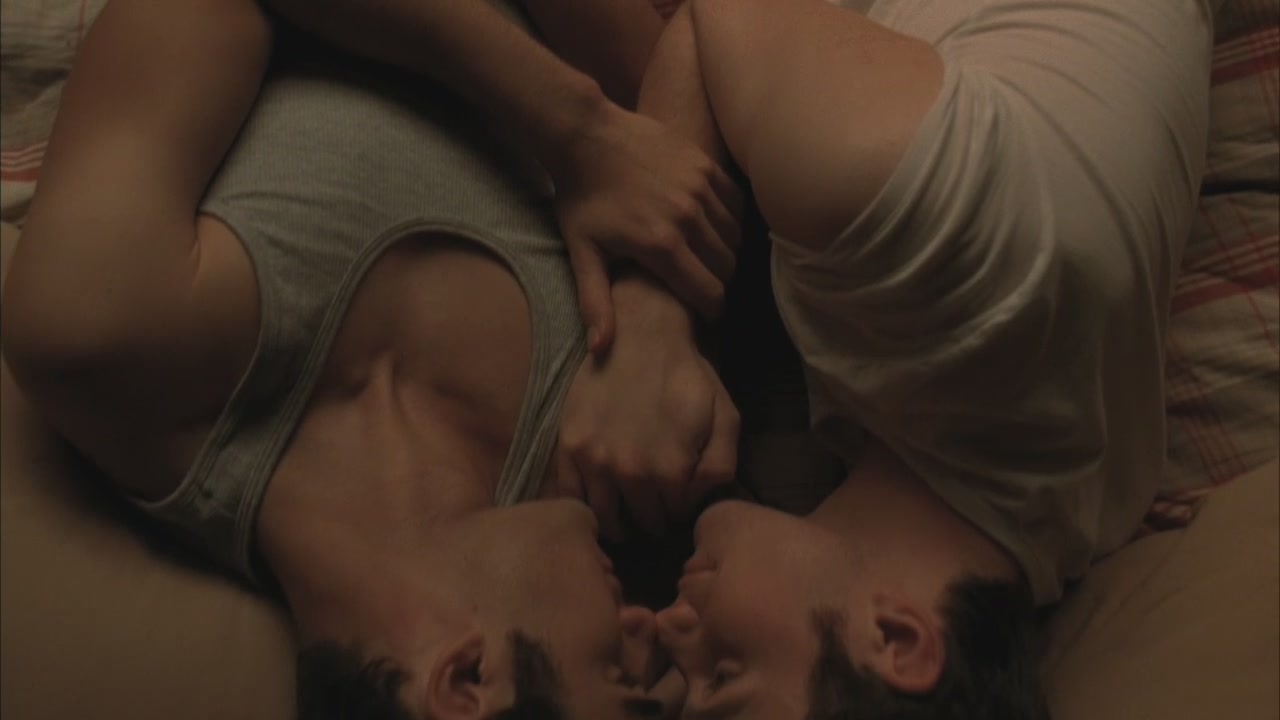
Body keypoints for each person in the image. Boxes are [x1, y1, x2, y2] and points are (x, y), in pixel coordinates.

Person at [0, 0, 745, 717]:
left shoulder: (111, 342)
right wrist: (656, 311)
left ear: (467, 681)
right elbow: (716, 47)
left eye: (621, 680)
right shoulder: (624, 473)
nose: (654, 632)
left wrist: (576, 130)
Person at [630, 0, 1215, 717]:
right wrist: (649, 323)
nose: (668, 632)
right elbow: (711, 15)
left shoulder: (1073, 520)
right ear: (896, 639)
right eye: (723, 674)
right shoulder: (911, 243)